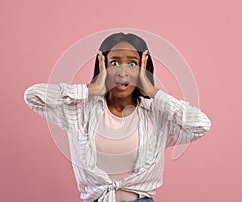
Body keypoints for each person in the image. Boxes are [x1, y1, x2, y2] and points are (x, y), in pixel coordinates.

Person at [23, 33, 212, 202]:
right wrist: (91, 89)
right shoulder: (80, 111)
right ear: (103, 65)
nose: (123, 72)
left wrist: (153, 91)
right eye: (114, 63)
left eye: (132, 64)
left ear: (142, 69)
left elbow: (201, 125)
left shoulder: (157, 115)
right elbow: (33, 96)